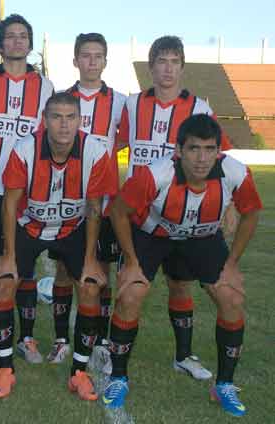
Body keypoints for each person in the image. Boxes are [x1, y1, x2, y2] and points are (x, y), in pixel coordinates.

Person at [105, 114, 261, 417]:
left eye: (209, 149)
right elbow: (119, 212)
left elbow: (251, 213)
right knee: (130, 294)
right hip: (152, 234)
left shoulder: (236, 173)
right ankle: (118, 377)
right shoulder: (155, 174)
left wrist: (231, 264)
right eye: (193, 149)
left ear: (219, 151)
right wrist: (132, 262)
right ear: (178, 150)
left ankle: (224, 385)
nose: (201, 158)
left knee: (230, 297)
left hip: (201, 236)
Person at [116, 35, 233, 380]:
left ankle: (183, 356)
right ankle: (114, 358)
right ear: (150, 66)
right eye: (161, 61)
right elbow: (112, 145)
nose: (167, 69)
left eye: (174, 62)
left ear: (182, 67)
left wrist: (227, 206)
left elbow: (221, 159)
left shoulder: (200, 108)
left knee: (181, 285)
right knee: (129, 288)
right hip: (142, 218)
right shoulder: (132, 104)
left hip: (186, 216)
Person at [0, 92, 114, 399]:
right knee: (4, 281)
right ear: (44, 120)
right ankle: (5, 369)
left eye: (71, 117)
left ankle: (79, 373)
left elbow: (94, 207)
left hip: (73, 228)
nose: (64, 124)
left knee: (89, 286)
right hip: (29, 225)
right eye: (56, 117)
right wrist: (8, 255)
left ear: (80, 120)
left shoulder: (96, 152)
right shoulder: (25, 149)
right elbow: (10, 204)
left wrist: (90, 259)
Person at [0, 14, 54, 365]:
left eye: (23, 36)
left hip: (28, 192)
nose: (17, 41)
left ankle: (26, 338)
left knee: (25, 262)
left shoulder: (46, 86)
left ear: (29, 44)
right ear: (0, 43)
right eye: (10, 35)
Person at [47, 33, 126, 373]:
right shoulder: (62, 100)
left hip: (103, 200)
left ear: (106, 61)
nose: (92, 62)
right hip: (66, 198)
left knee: (100, 271)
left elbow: (123, 141)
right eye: (85, 55)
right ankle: (61, 339)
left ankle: (101, 341)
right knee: (64, 270)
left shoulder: (121, 102)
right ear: (75, 60)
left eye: (98, 56)